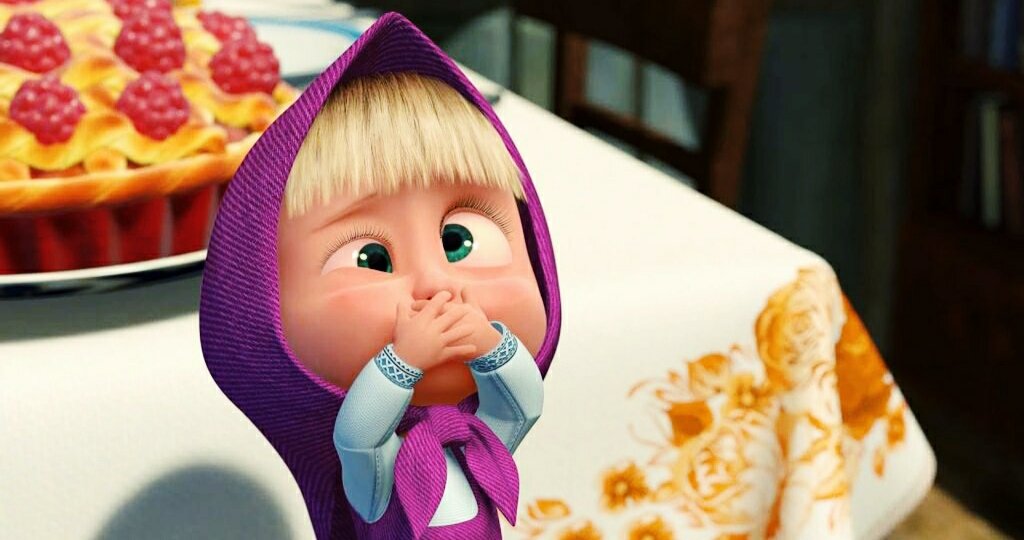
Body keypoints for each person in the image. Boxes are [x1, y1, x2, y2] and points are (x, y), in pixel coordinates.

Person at [199, 12, 562, 540]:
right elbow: (359, 436)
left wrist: (492, 347)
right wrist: (401, 363)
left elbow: (523, 405)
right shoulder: (383, 475)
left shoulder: (479, 446)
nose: (437, 285)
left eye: (459, 242)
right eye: (371, 259)